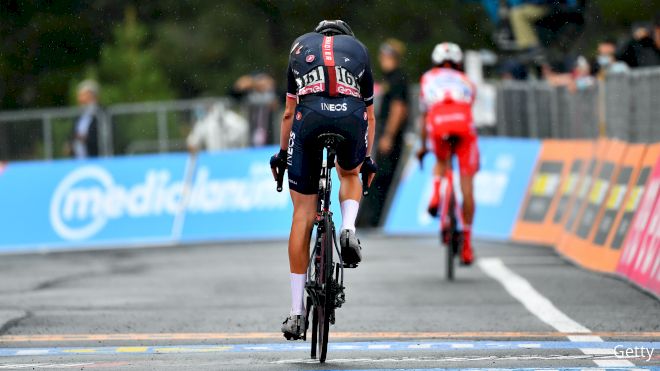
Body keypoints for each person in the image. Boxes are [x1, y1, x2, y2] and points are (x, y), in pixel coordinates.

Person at [269, 20, 377, 340]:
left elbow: (289, 112)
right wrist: (366, 159)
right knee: (349, 173)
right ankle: (348, 229)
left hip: (310, 117)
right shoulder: (359, 51)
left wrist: (280, 155)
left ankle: (296, 312)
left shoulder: (299, 47)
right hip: (350, 116)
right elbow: (370, 115)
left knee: (302, 213)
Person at [416, 43, 479, 265]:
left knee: (441, 160)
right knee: (467, 185)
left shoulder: (427, 78)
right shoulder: (468, 81)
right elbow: (470, 107)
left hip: (439, 123)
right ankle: (468, 245)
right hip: (463, 127)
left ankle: (436, 193)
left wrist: (423, 147)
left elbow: (424, 117)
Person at [357, 38, 409, 227]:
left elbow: (399, 109)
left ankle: (374, 220)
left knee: (382, 178)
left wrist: (388, 135)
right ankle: (372, 219)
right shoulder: (389, 78)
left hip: (391, 137)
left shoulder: (397, 78)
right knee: (378, 176)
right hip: (386, 135)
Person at [230, 73, 279, 146]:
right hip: (249, 136)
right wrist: (238, 86)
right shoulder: (247, 94)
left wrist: (273, 86)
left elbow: (285, 95)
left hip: (271, 137)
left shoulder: (273, 93)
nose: (261, 84)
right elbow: (233, 95)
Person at [69, 79, 101, 159]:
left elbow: (105, 136)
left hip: (96, 157)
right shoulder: (79, 115)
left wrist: (87, 139)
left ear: (91, 95)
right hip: (79, 159)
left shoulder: (101, 114)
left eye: (82, 95)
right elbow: (73, 132)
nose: (79, 99)